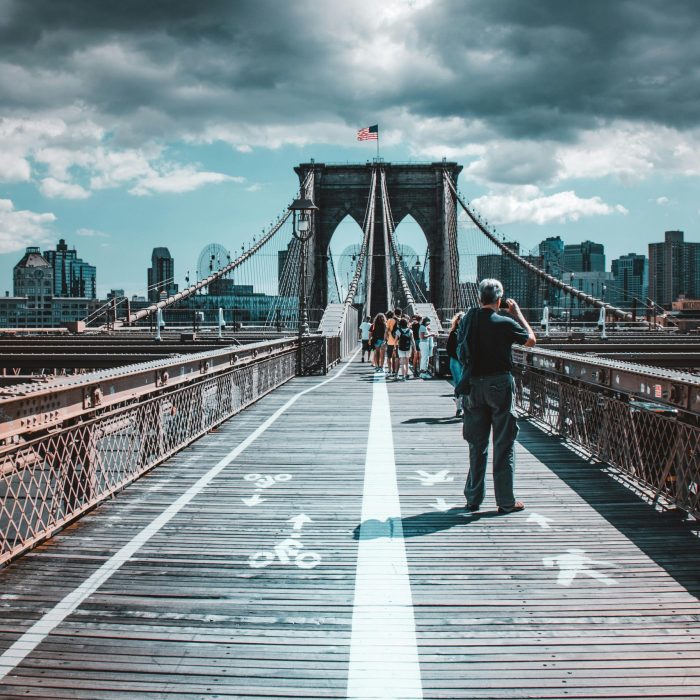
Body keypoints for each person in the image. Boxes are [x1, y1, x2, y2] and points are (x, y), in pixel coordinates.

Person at [460, 278, 536, 515]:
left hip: (472, 386)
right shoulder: (504, 322)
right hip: (499, 386)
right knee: (503, 443)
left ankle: (473, 499)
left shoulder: (467, 320)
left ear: (478, 298)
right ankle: (505, 501)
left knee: (477, 444)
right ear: (499, 300)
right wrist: (517, 314)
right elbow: (531, 340)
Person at [445, 311, 464, 417]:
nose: (461, 320)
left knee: (467, 383)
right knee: (458, 383)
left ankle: (465, 406)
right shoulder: (454, 333)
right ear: (456, 321)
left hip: (465, 361)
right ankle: (459, 408)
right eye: (459, 318)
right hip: (456, 361)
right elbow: (449, 348)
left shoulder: (469, 332)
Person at [385, 310, 398, 378]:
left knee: (389, 357)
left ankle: (390, 371)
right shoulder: (398, 320)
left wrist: (385, 339)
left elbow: (386, 331)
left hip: (390, 341)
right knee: (396, 357)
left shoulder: (389, 320)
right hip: (398, 342)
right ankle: (395, 372)